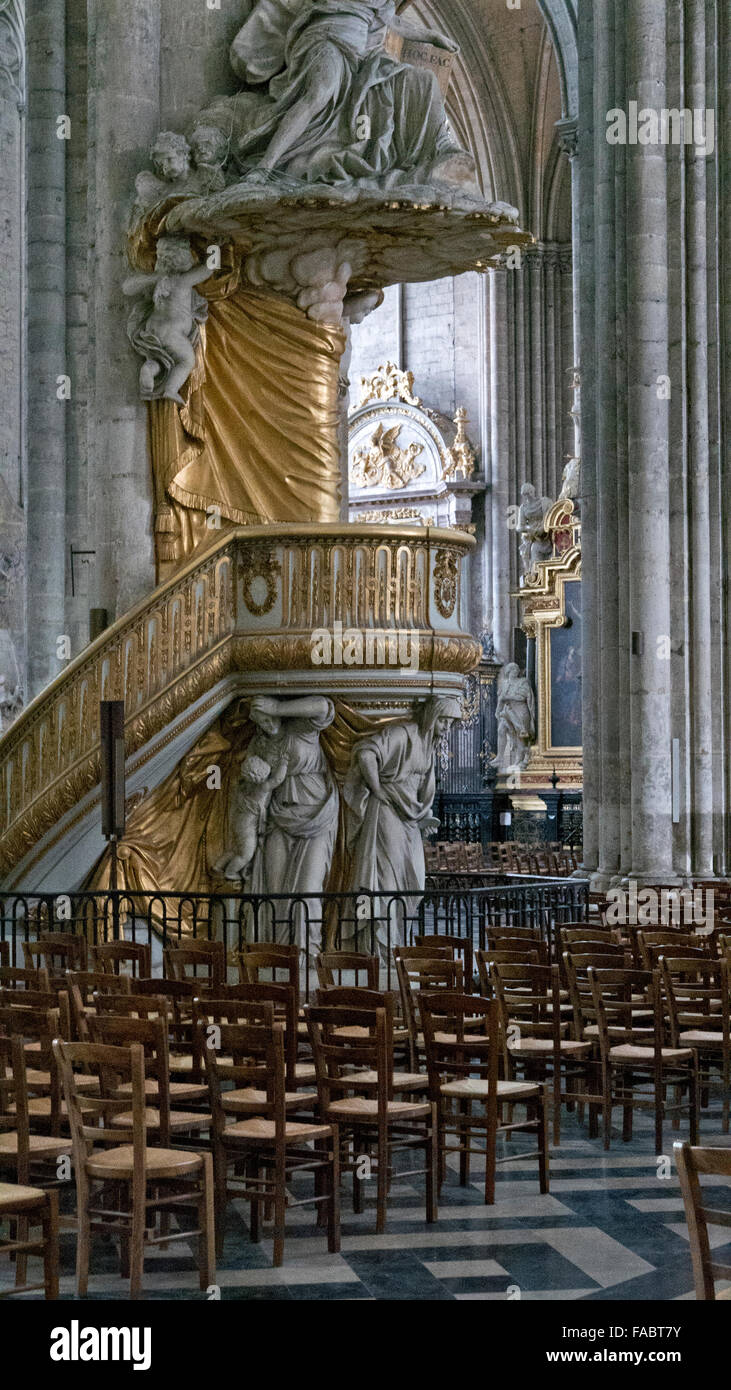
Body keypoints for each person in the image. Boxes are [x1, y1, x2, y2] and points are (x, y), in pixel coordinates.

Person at [225, 0, 465, 187]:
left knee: (422, 80)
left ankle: (440, 149)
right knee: (321, 91)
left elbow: (395, 22)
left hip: (361, 56)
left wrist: (433, 37)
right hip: (327, 39)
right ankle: (265, 166)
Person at [343, 695, 461, 950]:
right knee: (385, 879)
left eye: (450, 723)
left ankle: (394, 940)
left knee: (414, 881)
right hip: (386, 812)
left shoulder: (428, 746)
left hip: (408, 818)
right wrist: (377, 789)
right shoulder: (403, 733)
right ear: (431, 716)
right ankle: (376, 944)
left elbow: (420, 790)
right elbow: (366, 753)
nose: (446, 727)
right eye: (443, 720)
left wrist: (421, 817)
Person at [246, 695, 340, 947]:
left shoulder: (300, 729)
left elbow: (324, 706)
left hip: (316, 817)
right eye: (260, 721)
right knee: (276, 892)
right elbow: (251, 788)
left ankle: (307, 953)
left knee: (309, 892)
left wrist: (278, 706)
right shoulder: (260, 745)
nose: (267, 723)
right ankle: (278, 956)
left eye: (268, 716)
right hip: (278, 816)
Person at [213, 751, 288, 881]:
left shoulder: (242, 786)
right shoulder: (262, 788)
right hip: (247, 827)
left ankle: (218, 865)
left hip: (238, 823)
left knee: (237, 849)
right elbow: (277, 779)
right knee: (246, 854)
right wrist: (284, 763)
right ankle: (230, 872)